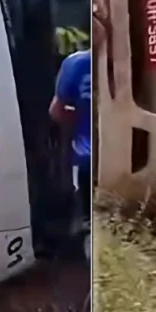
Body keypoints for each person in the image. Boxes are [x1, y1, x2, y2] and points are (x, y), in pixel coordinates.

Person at [49, 43, 92, 223]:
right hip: (92, 160)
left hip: (86, 159)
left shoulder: (76, 63)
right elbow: (57, 111)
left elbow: (56, 111)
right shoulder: (77, 63)